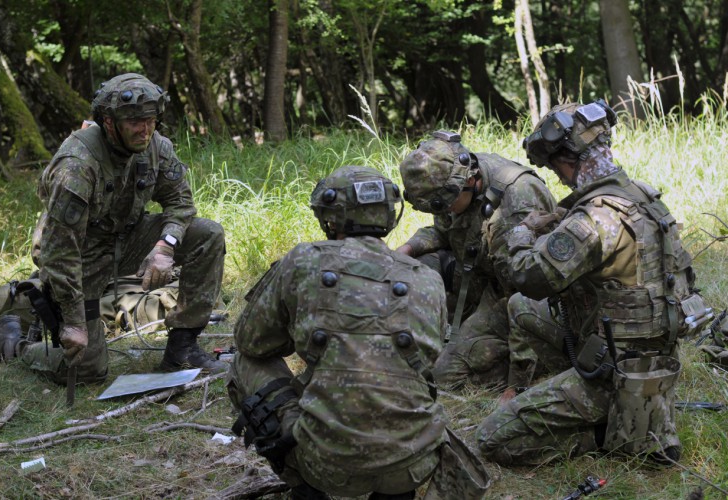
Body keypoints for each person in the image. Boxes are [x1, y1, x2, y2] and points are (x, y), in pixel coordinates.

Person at [227, 166, 490, 499]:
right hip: (410, 464)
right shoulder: (427, 278)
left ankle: (302, 482)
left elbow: (251, 341)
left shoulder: (303, 261)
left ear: (328, 215)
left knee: (244, 361)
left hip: (326, 466)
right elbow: (426, 359)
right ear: (389, 214)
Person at [476, 99, 709, 466]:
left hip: (613, 371)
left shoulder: (595, 218)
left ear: (568, 160)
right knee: (522, 309)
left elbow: (528, 276)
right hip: (648, 354)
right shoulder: (640, 194)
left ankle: (612, 432)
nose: (559, 177)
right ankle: (591, 395)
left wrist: (521, 232)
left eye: (556, 168)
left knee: (493, 439)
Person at [0, 73, 227, 383]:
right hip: (79, 258)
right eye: (134, 121)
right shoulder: (77, 165)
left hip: (127, 238)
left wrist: (165, 244)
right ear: (109, 123)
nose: (145, 128)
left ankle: (182, 350)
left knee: (208, 234)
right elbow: (59, 252)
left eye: (150, 119)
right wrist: (73, 321)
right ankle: (15, 345)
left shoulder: (156, 147)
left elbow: (181, 203)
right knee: (88, 369)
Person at [397, 131, 558, 389]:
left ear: (469, 182)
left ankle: (543, 359)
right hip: (477, 278)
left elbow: (527, 296)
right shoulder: (456, 174)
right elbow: (443, 230)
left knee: (444, 376)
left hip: (513, 298)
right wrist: (406, 249)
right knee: (414, 269)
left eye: (443, 204)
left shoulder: (516, 202)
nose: (443, 212)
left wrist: (516, 386)